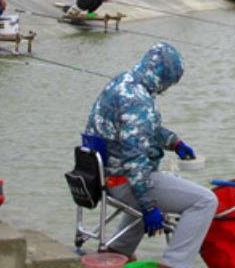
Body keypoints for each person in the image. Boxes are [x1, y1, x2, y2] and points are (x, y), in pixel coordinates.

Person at [82, 42, 217, 268]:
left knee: (158, 184)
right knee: (205, 201)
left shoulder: (122, 82)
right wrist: (150, 208)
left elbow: (140, 129)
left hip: (103, 175)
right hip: (121, 181)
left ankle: (119, 250)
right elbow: (134, 164)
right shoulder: (139, 102)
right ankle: (174, 263)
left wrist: (174, 142)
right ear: (164, 77)